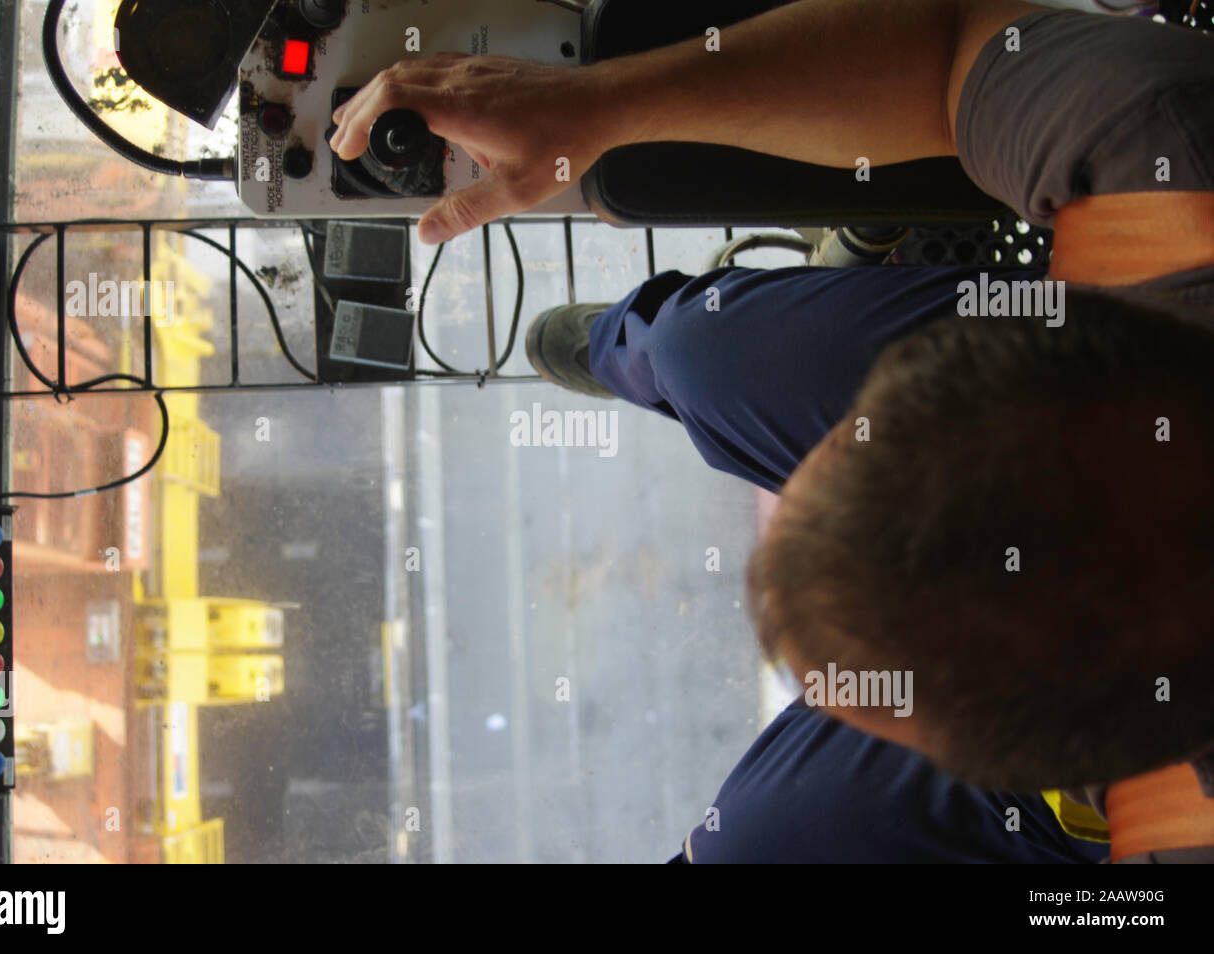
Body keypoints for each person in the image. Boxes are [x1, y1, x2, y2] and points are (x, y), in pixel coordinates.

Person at [331, 0, 1214, 856]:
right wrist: (597, 106)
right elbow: (948, 48)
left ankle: (652, 353)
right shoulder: (1168, 155)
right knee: (704, 349)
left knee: (759, 845)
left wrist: (605, 107)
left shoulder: (1169, 166)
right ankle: (638, 351)